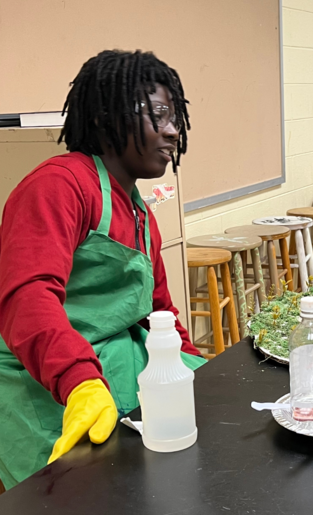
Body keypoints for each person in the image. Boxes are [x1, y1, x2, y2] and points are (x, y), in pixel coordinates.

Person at [0, 50, 206, 491]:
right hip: (48, 385)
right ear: (105, 118)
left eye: (175, 118)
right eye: (158, 115)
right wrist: (79, 383)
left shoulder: (141, 216)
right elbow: (27, 298)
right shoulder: (58, 186)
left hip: (119, 375)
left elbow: (162, 315)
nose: (172, 131)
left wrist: (197, 374)